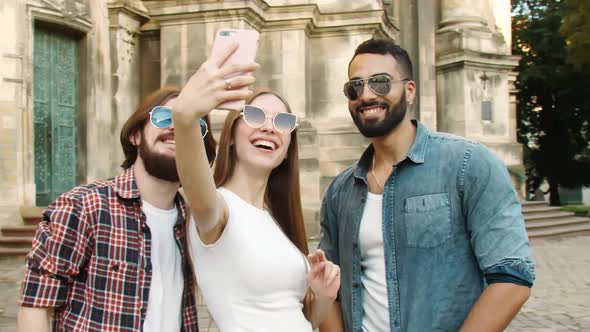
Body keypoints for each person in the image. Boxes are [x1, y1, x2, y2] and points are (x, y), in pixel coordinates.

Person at [318, 38, 536, 332]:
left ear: (409, 91)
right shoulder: (340, 191)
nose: (366, 94)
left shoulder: (468, 164)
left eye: (380, 82)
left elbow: (513, 276)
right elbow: (327, 287)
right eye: (354, 87)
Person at [171, 42, 341, 331]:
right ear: (232, 134)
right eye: (255, 116)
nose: (269, 127)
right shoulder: (217, 209)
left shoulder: (274, 220)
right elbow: (193, 175)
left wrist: (323, 296)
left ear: (288, 148)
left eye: (283, 122)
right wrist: (185, 115)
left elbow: (297, 320)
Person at [17, 87, 216, 332]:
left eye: (193, 125)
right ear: (135, 135)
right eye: (164, 117)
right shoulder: (85, 206)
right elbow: (36, 306)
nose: (177, 128)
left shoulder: (193, 224)